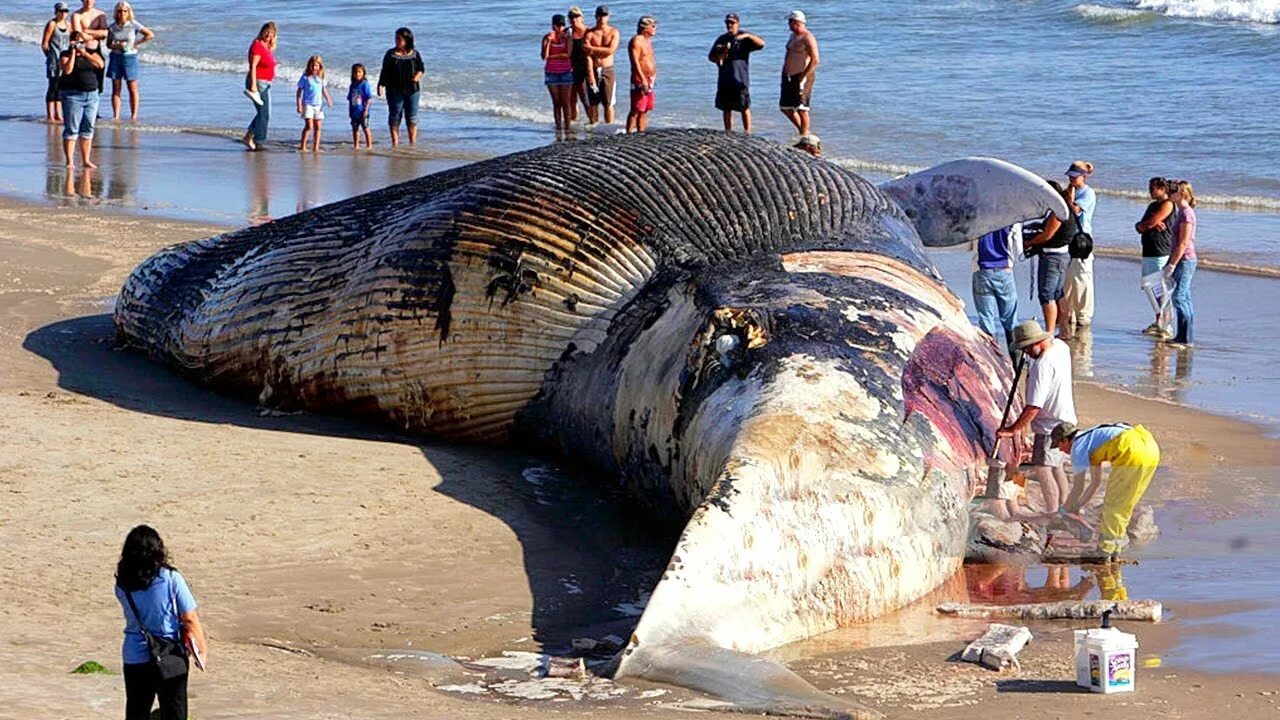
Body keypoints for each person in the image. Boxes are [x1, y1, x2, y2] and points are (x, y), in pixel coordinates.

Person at [115, 524, 208, 720]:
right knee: (174, 712)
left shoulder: (122, 583)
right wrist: (201, 650)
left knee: (136, 712)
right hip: (170, 654)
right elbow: (189, 619)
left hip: (135, 654)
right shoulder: (171, 578)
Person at [997, 320, 1077, 515]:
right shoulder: (1061, 347)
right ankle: (1065, 508)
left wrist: (1013, 429)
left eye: (1026, 348)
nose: (1025, 353)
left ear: (1036, 343)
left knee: (1043, 469)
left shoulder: (1042, 366)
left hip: (1049, 426)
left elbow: (1033, 407)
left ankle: (1052, 513)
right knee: (1057, 466)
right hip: (1067, 420)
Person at [1053, 421, 1160, 560]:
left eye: (1059, 445)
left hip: (1130, 449)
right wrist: (1077, 506)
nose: (1060, 450)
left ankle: (1104, 551)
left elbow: (1078, 487)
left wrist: (1064, 510)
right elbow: (1095, 483)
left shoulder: (1077, 447)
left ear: (1065, 439)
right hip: (1150, 448)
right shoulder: (1091, 440)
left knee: (1112, 504)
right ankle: (1115, 548)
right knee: (1124, 504)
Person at [1023, 180, 1076, 339]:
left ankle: (1050, 333)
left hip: (1052, 257)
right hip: (1062, 255)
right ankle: (1065, 331)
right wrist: (1036, 226)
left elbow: (1047, 235)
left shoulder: (1057, 212)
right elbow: (1050, 229)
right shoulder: (1066, 208)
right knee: (1058, 293)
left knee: (1047, 295)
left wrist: (1029, 242)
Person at [708, 13, 764, 133]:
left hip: (740, 78)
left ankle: (747, 131)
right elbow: (711, 57)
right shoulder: (722, 39)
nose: (729, 25)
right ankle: (728, 130)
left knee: (744, 106)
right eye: (728, 23)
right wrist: (720, 54)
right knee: (726, 107)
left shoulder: (744, 39)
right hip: (725, 78)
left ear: (737, 24)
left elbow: (761, 44)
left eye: (732, 23)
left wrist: (747, 36)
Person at [971, 223, 1022, 354]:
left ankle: (995, 360)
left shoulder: (978, 216)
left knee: (986, 319)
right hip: (1005, 271)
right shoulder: (1012, 218)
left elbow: (969, 245)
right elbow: (1019, 249)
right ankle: (1017, 366)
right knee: (1010, 319)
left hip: (982, 271)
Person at [1134, 176, 1175, 336]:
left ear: (1163, 189)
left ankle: (1166, 325)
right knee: (1151, 288)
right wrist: (1147, 224)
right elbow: (1140, 226)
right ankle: (1159, 321)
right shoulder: (1153, 205)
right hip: (1149, 250)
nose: (1150, 191)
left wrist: (1149, 223)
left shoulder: (1168, 204)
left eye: (1153, 188)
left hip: (1161, 251)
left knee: (1160, 289)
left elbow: (1149, 223)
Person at [58, 30, 104, 169]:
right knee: (72, 129)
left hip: (92, 95)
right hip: (72, 95)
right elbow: (67, 70)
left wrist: (84, 53)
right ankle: (70, 161)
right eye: (76, 41)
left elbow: (100, 65)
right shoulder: (65, 54)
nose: (79, 44)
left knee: (88, 128)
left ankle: (86, 160)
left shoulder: (91, 53)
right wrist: (73, 52)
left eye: (82, 41)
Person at [1062, 161, 1097, 332]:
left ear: (1084, 176)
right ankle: (1070, 312)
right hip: (1069, 238)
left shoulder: (1088, 193)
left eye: (1074, 177)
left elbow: (1075, 210)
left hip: (1082, 239)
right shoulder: (1071, 190)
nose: (1071, 179)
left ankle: (1084, 314)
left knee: (1082, 277)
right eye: (1070, 176)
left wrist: (1070, 197)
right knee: (1069, 277)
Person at [377, 27, 425, 147]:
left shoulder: (414, 54)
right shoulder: (390, 54)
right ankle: (395, 143)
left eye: (399, 39)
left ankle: (412, 143)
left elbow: (421, 68)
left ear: (407, 40)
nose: (397, 41)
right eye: (396, 38)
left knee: (412, 117)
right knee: (395, 116)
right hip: (394, 90)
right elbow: (385, 71)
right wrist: (380, 85)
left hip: (412, 90)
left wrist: (418, 75)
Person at [105, 1, 153, 121]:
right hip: (116, 57)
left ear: (129, 12)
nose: (122, 13)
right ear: (116, 12)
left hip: (130, 57)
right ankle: (116, 116)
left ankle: (134, 115)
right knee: (116, 87)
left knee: (132, 87)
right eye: (120, 11)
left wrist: (135, 44)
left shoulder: (133, 24)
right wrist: (117, 46)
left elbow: (150, 35)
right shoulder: (112, 27)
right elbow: (108, 44)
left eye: (125, 11)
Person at [1164, 179, 1197, 347]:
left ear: (1182, 194)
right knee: (1185, 297)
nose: (1169, 194)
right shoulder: (1180, 212)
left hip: (1185, 260)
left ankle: (1186, 339)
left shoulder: (1186, 213)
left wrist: (1172, 264)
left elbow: (1183, 243)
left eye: (1173, 192)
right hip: (1181, 259)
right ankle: (1182, 336)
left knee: (1179, 297)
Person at [780, 10, 819, 137]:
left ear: (796, 22)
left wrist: (803, 76)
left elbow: (815, 59)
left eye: (790, 22)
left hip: (802, 76)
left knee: (802, 109)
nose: (788, 25)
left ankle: (805, 136)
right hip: (788, 75)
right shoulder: (793, 36)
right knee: (785, 108)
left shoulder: (807, 37)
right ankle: (803, 132)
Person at [240, 22, 277, 151]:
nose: (269, 35)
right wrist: (253, 85)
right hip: (258, 83)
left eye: (272, 34)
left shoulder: (266, 47)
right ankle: (259, 141)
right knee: (264, 114)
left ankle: (249, 137)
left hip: (265, 83)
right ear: (262, 31)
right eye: (267, 32)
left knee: (263, 113)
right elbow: (253, 66)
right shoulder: (257, 45)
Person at [584, 6, 620, 125]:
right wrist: (590, 75)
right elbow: (587, 55)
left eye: (604, 15)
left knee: (608, 103)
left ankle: (609, 128)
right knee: (593, 103)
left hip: (607, 69)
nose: (601, 18)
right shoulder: (590, 33)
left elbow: (610, 50)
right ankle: (594, 128)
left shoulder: (613, 32)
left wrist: (592, 49)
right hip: (593, 69)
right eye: (599, 15)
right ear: (595, 16)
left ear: (608, 16)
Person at [542, 14, 574, 137]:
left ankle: (568, 127)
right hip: (551, 73)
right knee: (556, 102)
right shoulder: (547, 38)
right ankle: (558, 128)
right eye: (557, 25)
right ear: (553, 25)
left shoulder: (567, 38)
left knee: (566, 102)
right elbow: (544, 56)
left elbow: (567, 55)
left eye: (562, 25)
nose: (560, 28)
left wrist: (552, 57)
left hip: (565, 72)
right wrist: (549, 41)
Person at [42, 3, 72, 123]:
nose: (63, 13)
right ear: (56, 11)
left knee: (61, 87)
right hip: (53, 60)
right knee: (53, 86)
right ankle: (50, 114)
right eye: (61, 11)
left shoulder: (68, 25)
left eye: (65, 11)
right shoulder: (52, 24)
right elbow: (45, 43)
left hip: (64, 61)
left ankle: (59, 114)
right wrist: (49, 56)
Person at [627, 15, 657, 133]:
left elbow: (650, 59)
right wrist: (642, 79)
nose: (655, 29)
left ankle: (641, 132)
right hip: (640, 79)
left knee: (645, 109)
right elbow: (635, 62)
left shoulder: (648, 41)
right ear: (645, 28)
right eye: (653, 26)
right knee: (636, 108)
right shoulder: (637, 41)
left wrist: (653, 75)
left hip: (650, 78)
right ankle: (628, 134)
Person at [296, 55, 332, 152]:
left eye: (316, 65)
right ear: (309, 66)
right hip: (308, 104)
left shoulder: (320, 78)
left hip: (318, 105)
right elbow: (299, 92)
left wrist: (328, 99)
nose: (314, 67)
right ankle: (303, 146)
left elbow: (323, 89)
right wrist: (299, 105)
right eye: (312, 65)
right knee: (309, 126)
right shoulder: (305, 78)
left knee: (318, 127)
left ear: (320, 66)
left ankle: (316, 148)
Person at [70, 0, 108, 93]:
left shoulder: (100, 14)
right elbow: (78, 35)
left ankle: (95, 100)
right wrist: (96, 34)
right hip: (82, 49)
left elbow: (105, 33)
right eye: (86, 0)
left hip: (97, 49)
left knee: (99, 78)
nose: (88, 2)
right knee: (83, 80)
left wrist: (87, 31)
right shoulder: (77, 15)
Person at [567, 7, 591, 124]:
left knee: (585, 96)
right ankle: (573, 122)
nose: (574, 19)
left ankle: (592, 121)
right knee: (572, 98)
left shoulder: (588, 31)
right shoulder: (568, 32)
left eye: (576, 16)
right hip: (571, 67)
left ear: (582, 17)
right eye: (571, 17)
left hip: (586, 67)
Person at [348, 63, 373, 150]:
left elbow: (369, 98)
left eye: (359, 72)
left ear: (363, 73)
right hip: (354, 111)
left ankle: (369, 145)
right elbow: (350, 99)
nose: (357, 74)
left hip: (362, 111)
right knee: (355, 129)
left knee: (365, 127)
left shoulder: (364, 84)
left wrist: (366, 110)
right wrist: (350, 111)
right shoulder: (352, 85)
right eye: (355, 72)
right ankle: (356, 145)